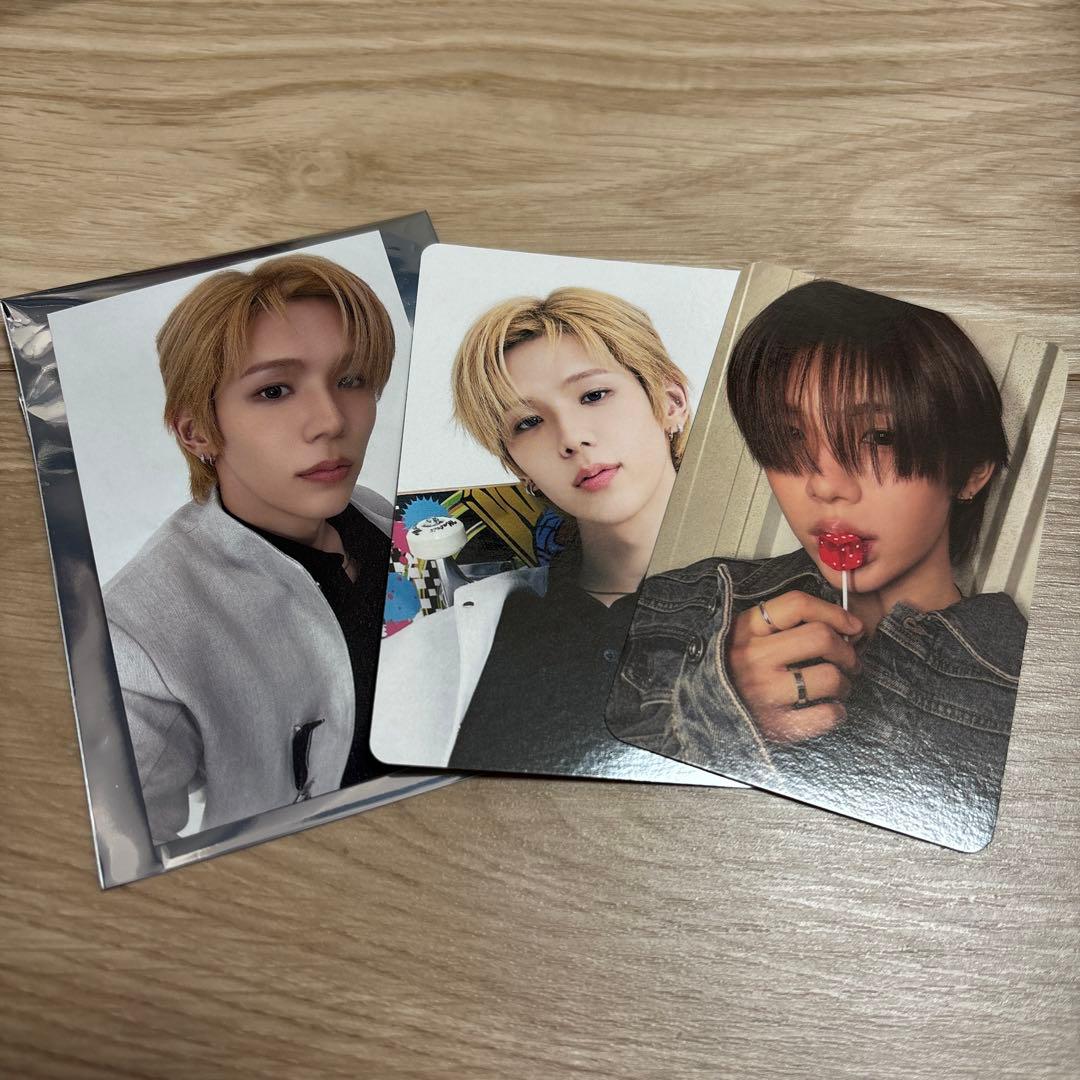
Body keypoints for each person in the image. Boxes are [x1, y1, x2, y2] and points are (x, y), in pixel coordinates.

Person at [606, 279, 1026, 850]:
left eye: (879, 436)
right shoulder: (682, 605)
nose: (824, 486)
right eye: (790, 437)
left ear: (972, 471)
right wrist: (721, 710)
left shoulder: (1021, 687)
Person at [373, 287, 724, 784]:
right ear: (520, 468)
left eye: (593, 395)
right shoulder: (463, 643)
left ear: (671, 402)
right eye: (529, 422)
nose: (571, 437)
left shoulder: (787, 590)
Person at [104, 254, 397, 843]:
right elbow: (124, 846)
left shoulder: (378, 517)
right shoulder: (136, 626)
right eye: (274, 390)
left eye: (350, 380)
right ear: (197, 430)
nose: (330, 420)